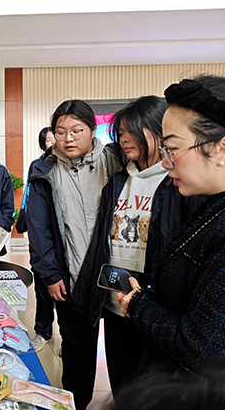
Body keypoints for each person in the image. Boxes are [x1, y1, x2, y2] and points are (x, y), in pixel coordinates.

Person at [77, 96, 201, 397]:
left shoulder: (179, 183)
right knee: (123, 388)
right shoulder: (118, 182)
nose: (124, 139)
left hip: (156, 308)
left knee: (154, 392)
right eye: (120, 133)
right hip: (115, 303)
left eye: (131, 131)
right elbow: (100, 242)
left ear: (158, 132)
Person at [117, 76, 225, 377]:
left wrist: (138, 305)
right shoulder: (210, 205)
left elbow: (201, 347)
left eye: (172, 149)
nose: (165, 163)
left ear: (220, 149)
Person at [26, 100, 120, 410]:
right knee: (77, 354)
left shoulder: (116, 162)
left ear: (93, 130)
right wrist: (50, 273)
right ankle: (76, 405)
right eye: (61, 131)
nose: (68, 138)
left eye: (76, 130)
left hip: (116, 279)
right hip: (71, 278)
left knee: (123, 355)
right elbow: (38, 228)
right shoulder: (44, 170)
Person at [15, 126, 58, 351]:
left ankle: (68, 339)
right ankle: (43, 331)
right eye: (49, 139)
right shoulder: (37, 165)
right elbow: (29, 196)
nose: (54, 142)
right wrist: (23, 220)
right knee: (42, 286)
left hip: (64, 238)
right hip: (41, 233)